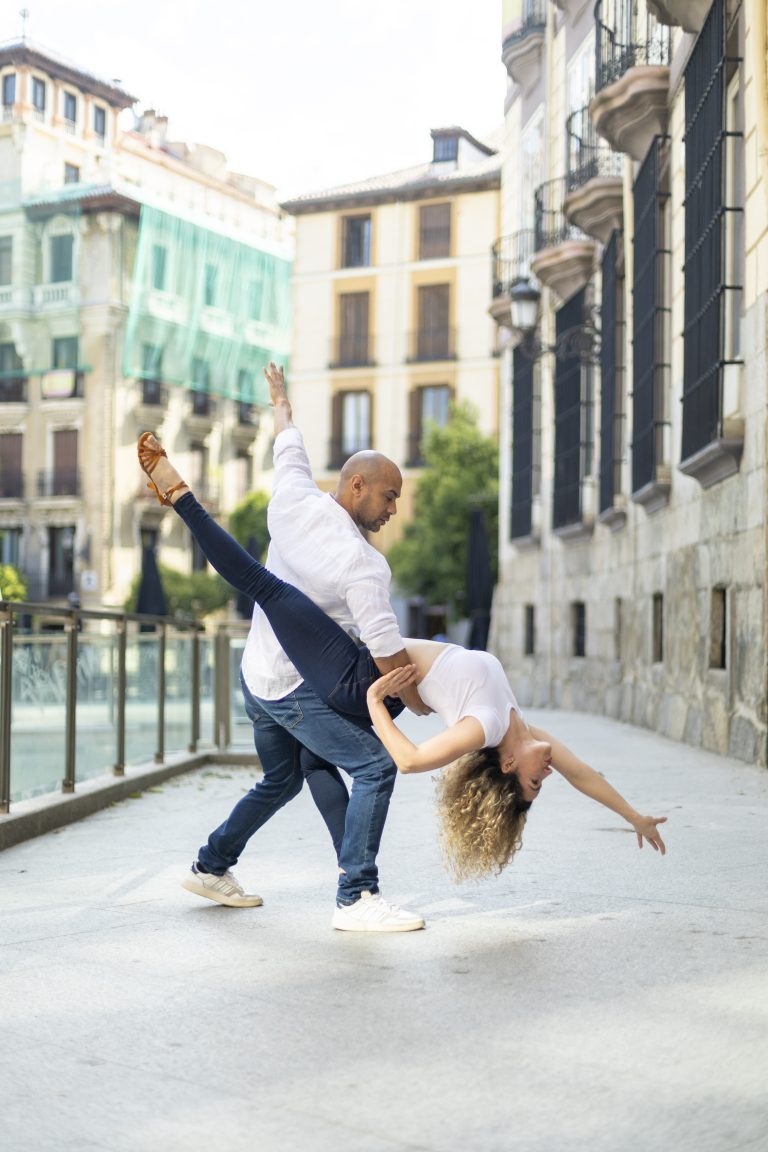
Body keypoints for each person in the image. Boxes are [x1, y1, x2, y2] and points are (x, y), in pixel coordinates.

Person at [138, 429, 669, 887]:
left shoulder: (484, 726)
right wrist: (635, 816)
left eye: (533, 781)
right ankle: (247, 868)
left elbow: (410, 761)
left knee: (266, 588)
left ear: (508, 765)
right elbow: (587, 776)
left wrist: (377, 704)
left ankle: (180, 495)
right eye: (543, 780)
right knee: (300, 768)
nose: (547, 772)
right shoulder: (521, 726)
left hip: (355, 680)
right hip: (359, 672)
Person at [139, 365, 428, 933]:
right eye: (389, 497)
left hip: (256, 679)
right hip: (299, 692)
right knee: (374, 765)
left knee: (287, 777)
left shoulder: (293, 498)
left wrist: (280, 402)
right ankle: (356, 897)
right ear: (357, 486)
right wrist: (418, 699)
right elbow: (388, 653)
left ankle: (211, 864)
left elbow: (287, 446)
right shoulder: (363, 565)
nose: (392, 509)